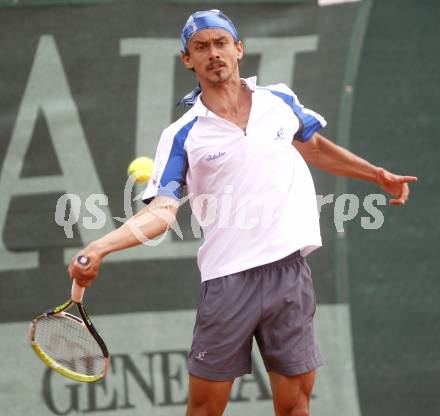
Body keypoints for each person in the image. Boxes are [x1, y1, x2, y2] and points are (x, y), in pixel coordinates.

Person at [68, 9, 417, 416]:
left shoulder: (279, 101)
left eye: (220, 43)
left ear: (238, 49)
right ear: (188, 59)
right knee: (204, 410)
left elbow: (314, 146)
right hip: (227, 283)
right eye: (201, 47)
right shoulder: (182, 134)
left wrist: (376, 175)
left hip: (289, 274)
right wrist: (101, 246)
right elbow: (162, 212)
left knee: (296, 407)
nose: (213, 53)